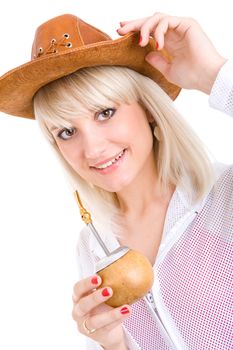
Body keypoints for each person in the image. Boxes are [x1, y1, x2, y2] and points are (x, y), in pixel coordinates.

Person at [0, 12, 232, 350]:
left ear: (148, 108)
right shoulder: (93, 248)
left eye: (104, 113)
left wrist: (215, 76)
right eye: (67, 132)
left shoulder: (224, 196)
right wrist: (113, 345)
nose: (92, 149)